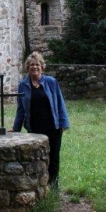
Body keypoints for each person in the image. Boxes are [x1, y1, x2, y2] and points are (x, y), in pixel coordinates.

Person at [11, 51, 70, 188]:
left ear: (42, 66)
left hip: (53, 126)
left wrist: (63, 123)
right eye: (32, 65)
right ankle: (39, 185)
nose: (34, 67)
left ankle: (53, 186)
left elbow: (60, 103)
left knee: (54, 157)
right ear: (28, 67)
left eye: (37, 64)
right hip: (34, 128)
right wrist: (16, 128)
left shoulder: (51, 82)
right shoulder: (23, 85)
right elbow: (21, 109)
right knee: (36, 157)